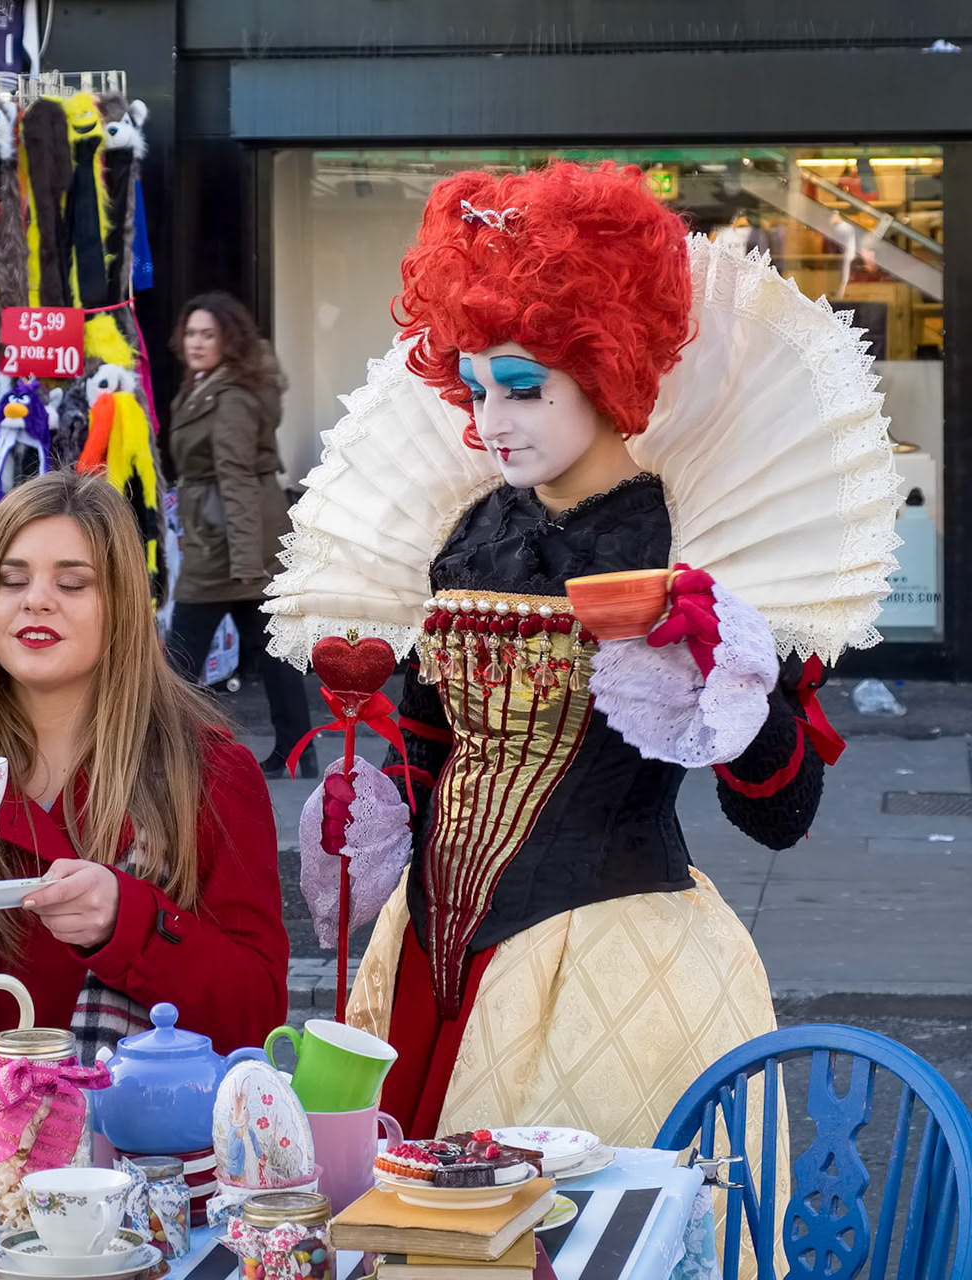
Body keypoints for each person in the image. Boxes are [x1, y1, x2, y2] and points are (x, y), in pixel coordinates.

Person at [266, 163, 895, 1148]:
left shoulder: (693, 544)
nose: (491, 421)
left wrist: (727, 684)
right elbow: (433, 732)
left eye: (522, 387)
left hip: (610, 951)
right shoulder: (466, 529)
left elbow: (782, 810)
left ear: (607, 367)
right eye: (474, 387)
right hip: (426, 961)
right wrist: (383, 806)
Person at [0, 471, 288, 1062]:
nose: (36, 599)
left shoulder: (205, 771)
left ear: (122, 605)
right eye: (11, 580)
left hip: (129, 1144)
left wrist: (128, 923)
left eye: (72, 583)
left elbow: (255, 1015)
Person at [162, 293, 315, 778]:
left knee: (181, 653)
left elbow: (236, 479)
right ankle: (297, 752)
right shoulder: (211, 385)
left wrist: (247, 562)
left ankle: (162, 751)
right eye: (191, 333)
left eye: (209, 334)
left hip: (229, 539)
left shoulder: (227, 398)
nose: (197, 343)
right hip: (230, 532)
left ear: (229, 339)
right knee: (271, 648)